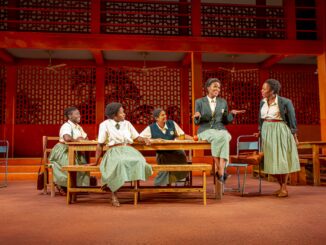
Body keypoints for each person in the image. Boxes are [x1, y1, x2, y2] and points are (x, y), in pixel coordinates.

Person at [89, 102, 152, 207]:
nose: (124, 114)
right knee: (119, 163)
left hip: (127, 149)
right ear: (114, 115)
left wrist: (144, 139)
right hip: (114, 150)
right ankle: (114, 194)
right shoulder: (104, 125)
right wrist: (96, 161)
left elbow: (136, 137)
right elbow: (100, 144)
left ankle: (136, 192)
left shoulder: (127, 123)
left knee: (139, 161)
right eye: (122, 112)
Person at [194, 78, 245, 184]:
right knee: (221, 137)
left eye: (219, 87)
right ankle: (222, 171)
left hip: (220, 128)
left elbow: (226, 120)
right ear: (208, 88)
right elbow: (196, 121)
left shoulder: (223, 102)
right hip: (205, 129)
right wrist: (198, 116)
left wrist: (232, 114)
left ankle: (220, 171)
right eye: (215, 86)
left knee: (225, 136)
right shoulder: (199, 102)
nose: (217, 89)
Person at [256, 78, 300, 197]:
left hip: (280, 131)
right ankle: (280, 186)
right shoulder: (263, 102)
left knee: (281, 160)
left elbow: (292, 119)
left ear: (272, 91)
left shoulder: (285, 102)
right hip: (267, 132)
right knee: (270, 161)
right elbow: (260, 119)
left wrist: (295, 136)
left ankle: (284, 188)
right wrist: (260, 131)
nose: (262, 90)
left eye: (264, 88)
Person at [141, 108, 193, 186]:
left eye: (165, 114)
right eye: (162, 115)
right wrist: (153, 140)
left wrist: (193, 138)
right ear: (156, 118)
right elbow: (140, 138)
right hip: (162, 153)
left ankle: (179, 182)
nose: (165, 116)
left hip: (176, 151)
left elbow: (182, 135)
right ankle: (161, 184)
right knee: (164, 162)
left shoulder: (172, 123)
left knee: (181, 156)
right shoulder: (151, 128)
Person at [49, 107, 89, 195]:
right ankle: (63, 185)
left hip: (75, 151)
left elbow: (86, 138)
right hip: (63, 151)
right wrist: (77, 140)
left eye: (79, 113)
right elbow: (67, 138)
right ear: (70, 116)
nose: (79, 115)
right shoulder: (66, 126)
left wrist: (82, 138)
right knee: (71, 163)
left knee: (84, 163)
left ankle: (78, 187)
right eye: (77, 114)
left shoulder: (79, 127)